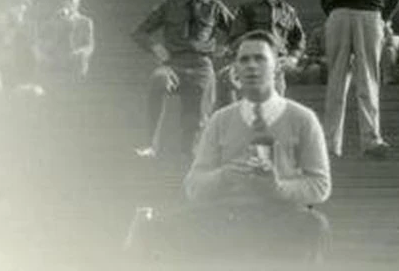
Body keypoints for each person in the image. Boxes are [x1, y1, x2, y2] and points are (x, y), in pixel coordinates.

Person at [137, 30, 331, 264]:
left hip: (280, 217)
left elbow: (320, 186)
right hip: (227, 216)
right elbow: (194, 185)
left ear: (276, 66)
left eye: (260, 58)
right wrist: (224, 175)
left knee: (314, 226)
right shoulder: (220, 120)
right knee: (156, 229)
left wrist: (278, 187)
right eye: (244, 60)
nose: (251, 66)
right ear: (235, 69)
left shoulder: (302, 119)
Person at [133, 0, 235, 158]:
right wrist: (155, 47)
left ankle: (190, 156)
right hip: (174, 65)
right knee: (158, 79)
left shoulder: (214, 7)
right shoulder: (169, 5)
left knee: (193, 135)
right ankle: (150, 145)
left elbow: (239, 32)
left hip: (201, 67)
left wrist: (226, 49)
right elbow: (140, 32)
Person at [319, 0, 399, 159]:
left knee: (367, 77)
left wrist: (382, 17)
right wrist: (336, 14)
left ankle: (371, 140)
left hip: (369, 15)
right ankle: (330, 143)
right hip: (339, 15)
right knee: (336, 80)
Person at [227, 0, 305, 99]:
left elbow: (299, 39)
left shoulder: (288, 11)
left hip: (277, 68)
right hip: (253, 66)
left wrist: (293, 57)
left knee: (276, 110)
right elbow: (236, 39)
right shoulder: (246, 9)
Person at [37, 0, 95, 81]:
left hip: (76, 65)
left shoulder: (84, 22)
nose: (69, 5)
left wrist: (79, 53)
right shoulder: (54, 21)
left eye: (73, 2)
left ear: (77, 4)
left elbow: (89, 45)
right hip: (57, 65)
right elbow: (44, 40)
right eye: (67, 2)